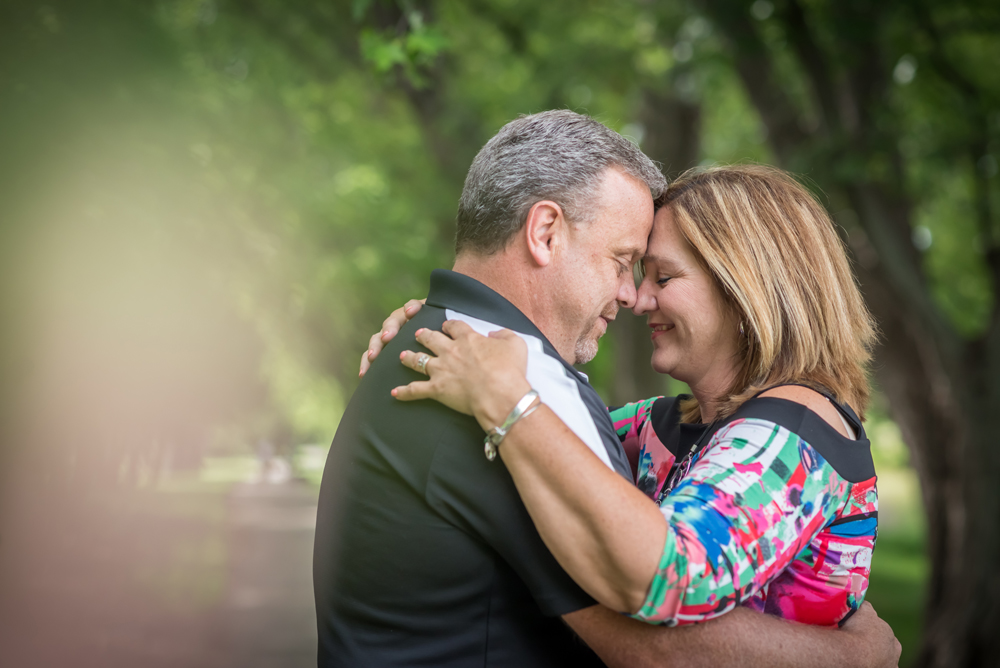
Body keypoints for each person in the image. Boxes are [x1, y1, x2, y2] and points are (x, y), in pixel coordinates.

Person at [321, 112, 900, 667]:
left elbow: (669, 584)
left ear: (746, 293)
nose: (636, 297)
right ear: (544, 232)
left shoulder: (793, 432)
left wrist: (505, 398)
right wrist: (444, 320)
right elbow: (574, 446)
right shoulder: (665, 425)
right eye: (629, 266)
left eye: (660, 276)